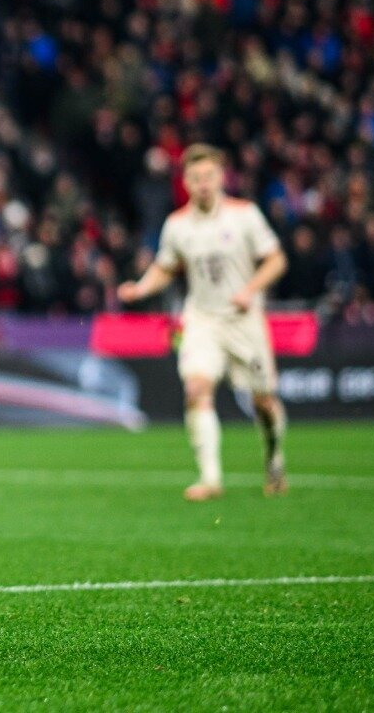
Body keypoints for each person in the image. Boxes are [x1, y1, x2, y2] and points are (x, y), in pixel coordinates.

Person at [117, 144, 290, 500]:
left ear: (221, 177)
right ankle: (210, 478)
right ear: (186, 182)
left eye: (209, 176)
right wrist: (141, 288)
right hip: (202, 319)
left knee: (264, 401)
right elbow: (166, 267)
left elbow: (275, 260)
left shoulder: (245, 215)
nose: (203, 184)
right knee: (196, 389)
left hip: (244, 320)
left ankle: (274, 457)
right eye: (195, 178)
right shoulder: (177, 225)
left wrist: (250, 290)